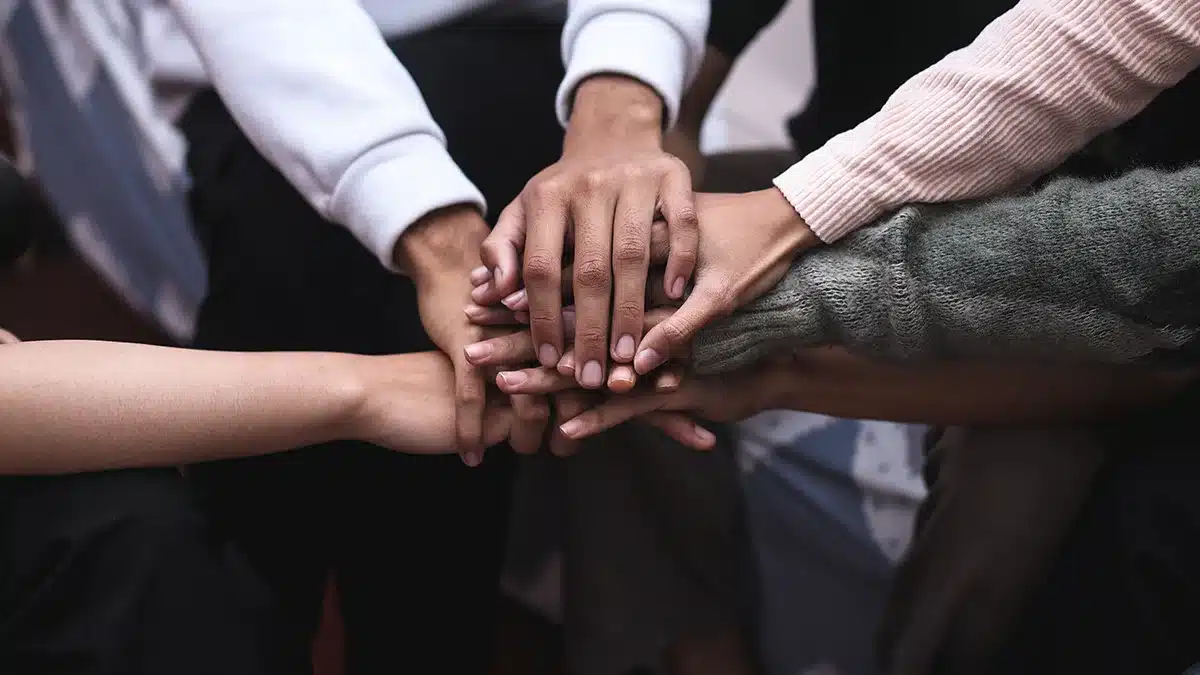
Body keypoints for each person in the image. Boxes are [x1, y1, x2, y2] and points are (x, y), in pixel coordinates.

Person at [142, 2, 709, 672]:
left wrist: (621, 102)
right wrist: (434, 231)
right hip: (265, 48)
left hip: (522, 42)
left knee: (473, 334)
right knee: (317, 262)